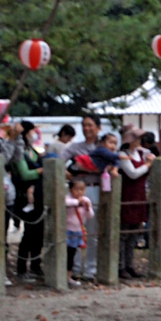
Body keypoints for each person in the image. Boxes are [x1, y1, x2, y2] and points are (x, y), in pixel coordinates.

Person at [63, 114, 105, 279]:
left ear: (98, 127)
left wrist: (89, 170)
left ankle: (91, 268)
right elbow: (59, 161)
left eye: (90, 125)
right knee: (75, 228)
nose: (87, 128)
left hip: (96, 189)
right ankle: (75, 267)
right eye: (84, 125)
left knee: (93, 230)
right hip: (77, 190)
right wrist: (68, 174)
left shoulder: (103, 147)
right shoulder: (75, 147)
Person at [117, 125, 153, 278]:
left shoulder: (140, 153)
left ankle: (130, 264)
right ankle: (121, 265)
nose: (139, 140)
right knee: (124, 233)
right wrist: (147, 165)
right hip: (128, 194)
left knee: (134, 234)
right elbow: (132, 173)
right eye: (136, 138)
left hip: (139, 195)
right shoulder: (122, 155)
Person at [12, 121, 45, 279]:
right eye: (32, 132)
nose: (34, 135)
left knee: (39, 232)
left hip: (38, 196)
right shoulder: (19, 152)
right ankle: (21, 268)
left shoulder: (32, 150)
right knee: (28, 233)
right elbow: (24, 174)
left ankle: (36, 265)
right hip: (24, 197)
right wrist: (41, 170)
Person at [64, 179, 94, 288]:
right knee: (66, 253)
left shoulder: (86, 200)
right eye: (76, 189)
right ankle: (64, 275)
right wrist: (78, 202)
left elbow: (90, 216)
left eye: (82, 189)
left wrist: (87, 207)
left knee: (72, 253)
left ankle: (69, 276)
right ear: (71, 190)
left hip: (78, 230)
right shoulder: (68, 199)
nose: (79, 192)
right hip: (67, 230)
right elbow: (66, 203)